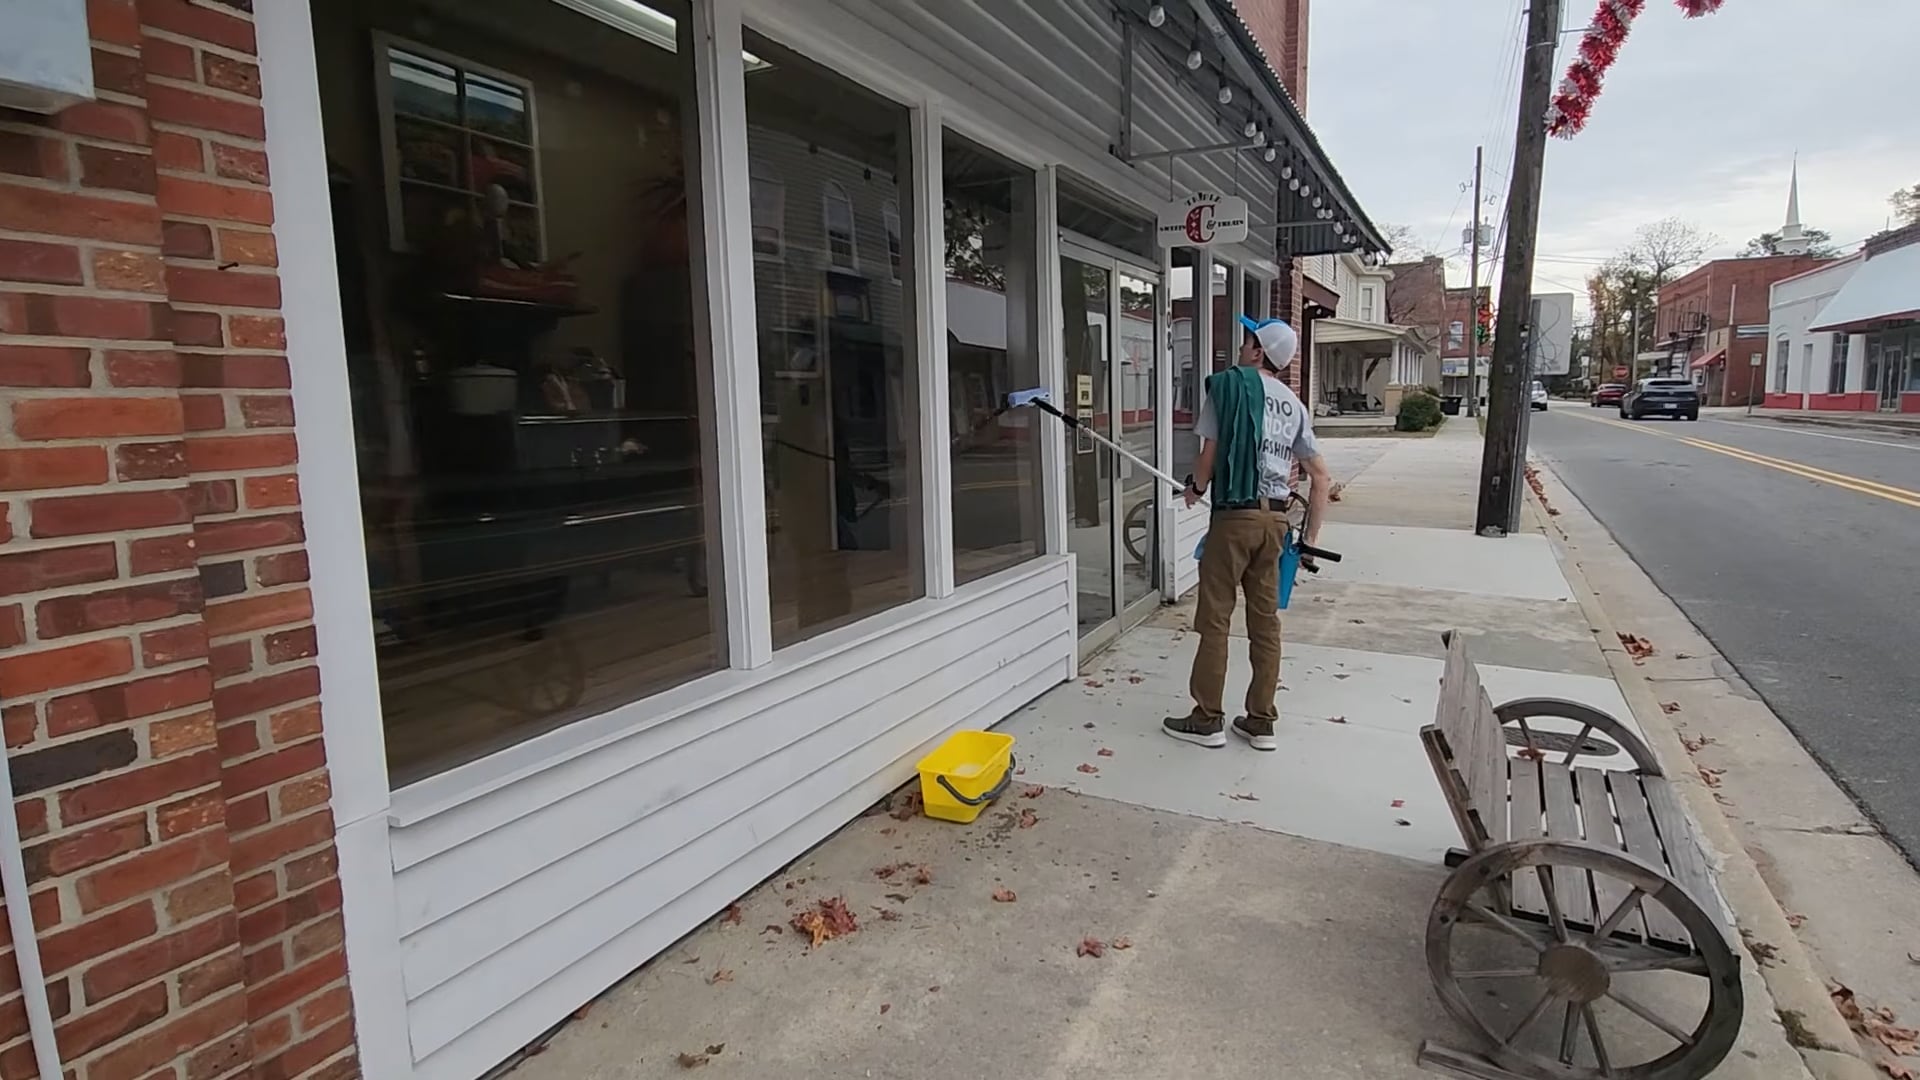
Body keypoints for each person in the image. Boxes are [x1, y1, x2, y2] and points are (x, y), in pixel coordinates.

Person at [1163, 316, 1332, 751]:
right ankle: (1260, 722)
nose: (1240, 348)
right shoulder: (1294, 405)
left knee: (1215, 618)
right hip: (1276, 523)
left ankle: (1207, 719)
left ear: (1258, 352)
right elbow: (1320, 477)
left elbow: (1209, 454)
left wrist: (1195, 488)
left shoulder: (1229, 388)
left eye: (1246, 341)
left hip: (1234, 518)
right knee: (1265, 623)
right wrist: (1309, 540)